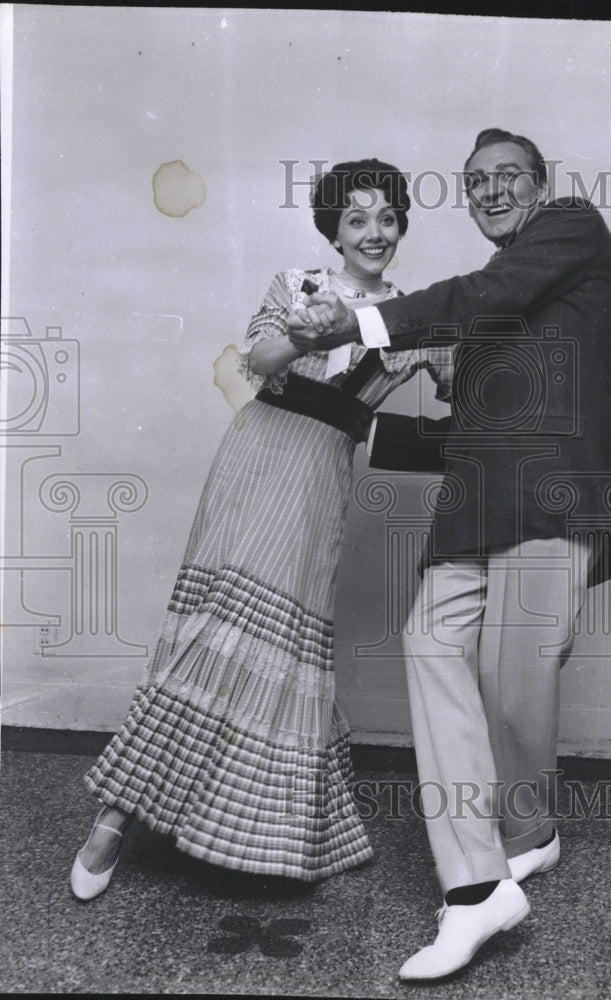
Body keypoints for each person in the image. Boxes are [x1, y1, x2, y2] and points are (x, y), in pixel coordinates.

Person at [287, 128, 611, 979]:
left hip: (553, 499)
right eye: (474, 181)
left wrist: (362, 317)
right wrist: (347, 425)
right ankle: (477, 892)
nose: (489, 190)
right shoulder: (499, 306)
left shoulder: (570, 227)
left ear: (542, 183)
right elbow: (472, 433)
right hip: (474, 508)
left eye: (506, 175)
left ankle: (531, 834)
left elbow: (481, 295)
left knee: (515, 682)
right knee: (431, 646)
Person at [69, 158, 454, 899]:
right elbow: (259, 361)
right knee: (209, 636)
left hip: (321, 479)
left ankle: (262, 830)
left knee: (281, 648)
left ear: (401, 223)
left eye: (387, 217)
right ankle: (113, 823)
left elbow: (466, 387)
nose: (374, 233)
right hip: (254, 460)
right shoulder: (297, 284)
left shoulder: (418, 317)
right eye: (357, 220)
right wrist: (313, 333)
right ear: (333, 232)